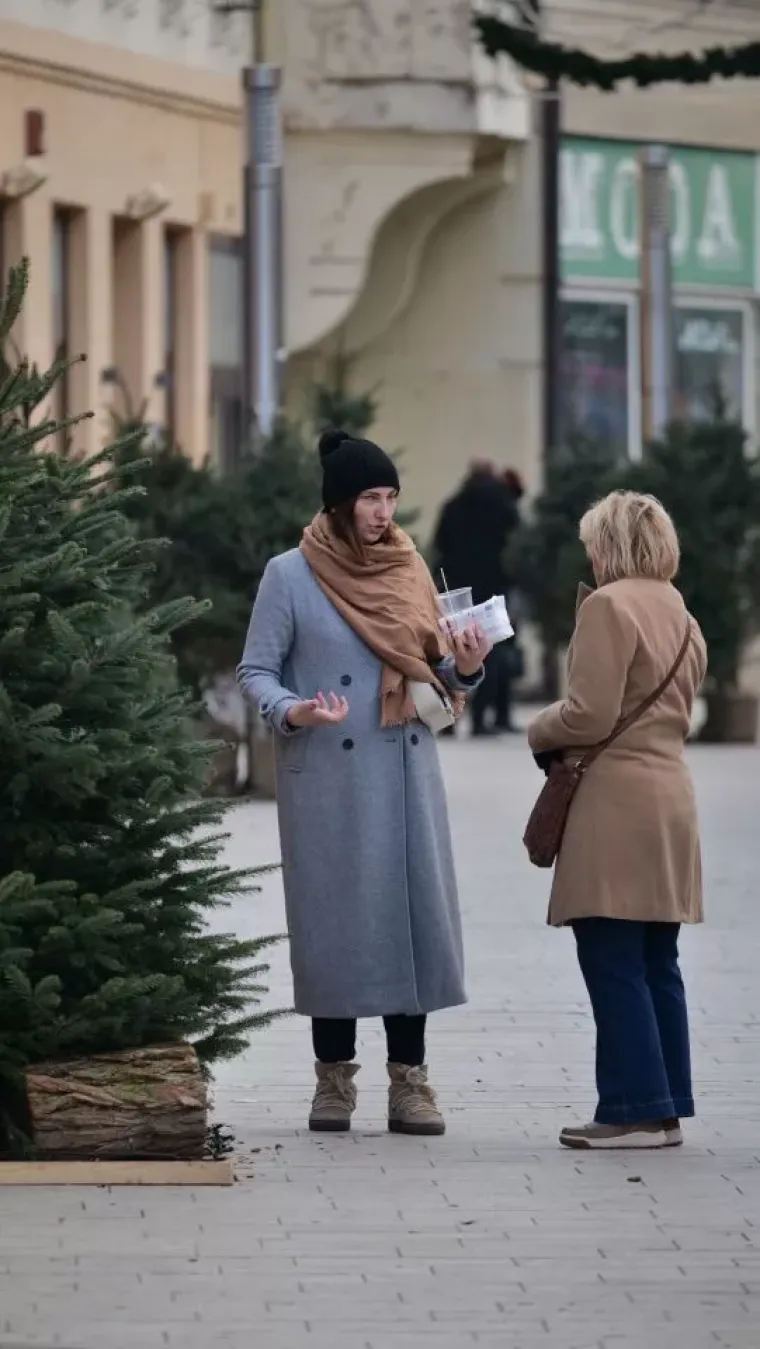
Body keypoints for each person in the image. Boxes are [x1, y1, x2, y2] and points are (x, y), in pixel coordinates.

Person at [237, 428, 491, 1137]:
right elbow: (255, 669)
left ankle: (409, 1082)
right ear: (340, 504)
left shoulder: (411, 568)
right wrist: (295, 707)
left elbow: (441, 675)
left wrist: (468, 665)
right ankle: (333, 1078)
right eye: (370, 499)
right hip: (329, 772)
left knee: (407, 917)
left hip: (405, 762)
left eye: (390, 497)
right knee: (336, 922)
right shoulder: (289, 573)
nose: (384, 512)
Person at [527, 491, 707, 1151]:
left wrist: (536, 725)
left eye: (592, 544)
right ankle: (665, 1104)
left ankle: (630, 1105)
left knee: (611, 955)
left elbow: (589, 714)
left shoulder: (608, 606)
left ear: (609, 546)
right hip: (670, 799)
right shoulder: (678, 608)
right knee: (658, 956)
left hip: (616, 804)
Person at [432, 460, 520, 736]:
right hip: (495, 586)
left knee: (452, 647)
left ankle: (449, 720)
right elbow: (517, 544)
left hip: (459, 586)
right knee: (491, 649)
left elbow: (440, 543)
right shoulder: (505, 505)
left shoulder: (453, 505)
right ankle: (483, 720)